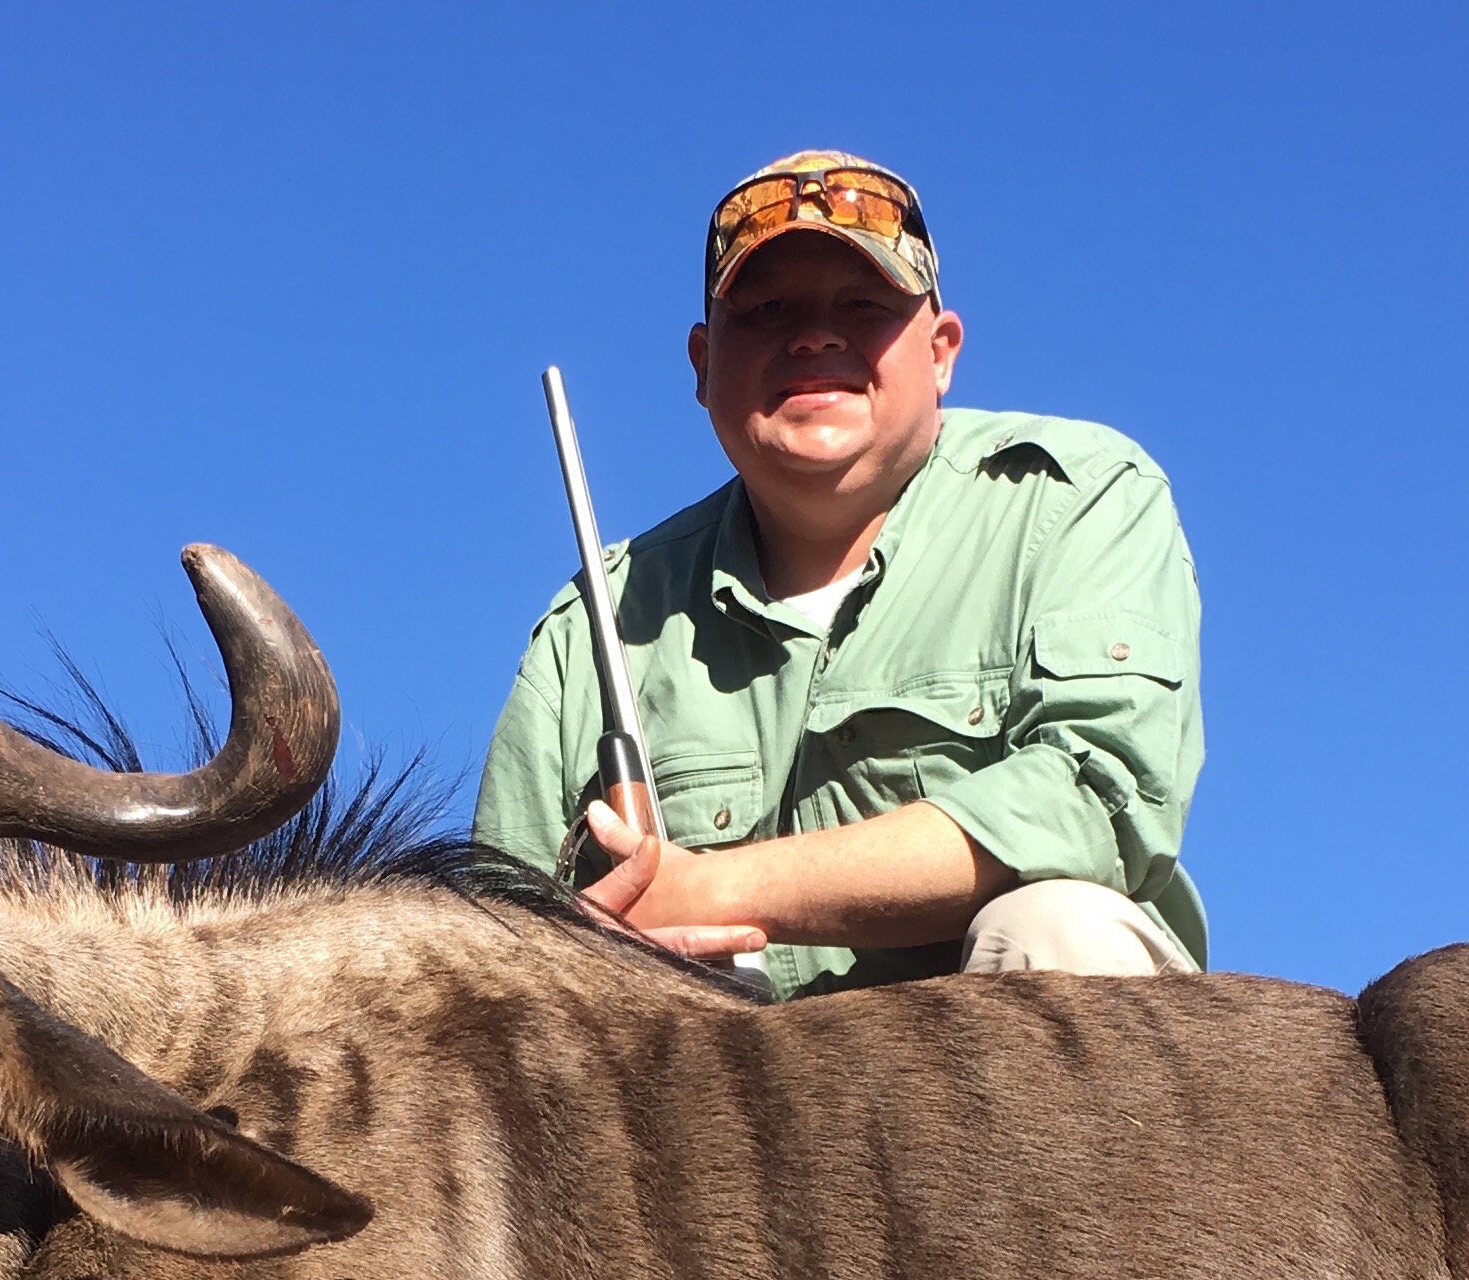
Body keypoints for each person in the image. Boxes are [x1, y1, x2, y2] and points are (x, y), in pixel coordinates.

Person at [476, 152, 1209, 993]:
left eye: (863, 305)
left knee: (1056, 929)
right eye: (767, 308)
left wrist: (715, 888)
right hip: (698, 1097)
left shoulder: (1077, 500)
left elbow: (1098, 802)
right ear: (702, 366)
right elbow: (491, 944)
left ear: (941, 352)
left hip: (1000, 1097)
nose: (814, 336)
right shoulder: (592, 621)